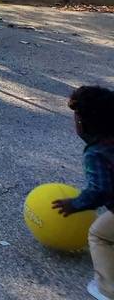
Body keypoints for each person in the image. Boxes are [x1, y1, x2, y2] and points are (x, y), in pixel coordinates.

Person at [52, 85, 114, 300]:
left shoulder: (96, 153)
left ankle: (107, 289)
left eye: (76, 115)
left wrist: (75, 204)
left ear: (84, 122)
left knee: (99, 234)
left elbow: (99, 190)